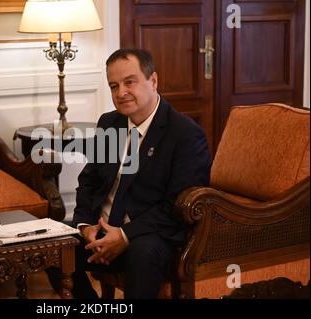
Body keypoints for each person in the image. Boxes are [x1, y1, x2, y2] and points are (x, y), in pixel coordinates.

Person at [70, 48, 212, 299]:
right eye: (114, 85)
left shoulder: (185, 134)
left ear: (153, 81)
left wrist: (124, 235)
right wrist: (84, 226)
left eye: (130, 82)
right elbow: (89, 180)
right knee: (53, 245)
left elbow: (175, 207)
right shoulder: (109, 123)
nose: (121, 92)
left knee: (141, 254)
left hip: (150, 232)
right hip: (101, 228)